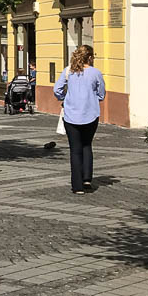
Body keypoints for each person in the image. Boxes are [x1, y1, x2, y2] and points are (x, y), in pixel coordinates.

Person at [53, 45, 106, 195]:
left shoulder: (68, 71)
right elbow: (102, 93)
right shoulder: (95, 73)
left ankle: (77, 186)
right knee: (87, 145)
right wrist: (93, 97)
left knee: (75, 150)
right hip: (90, 114)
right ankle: (87, 179)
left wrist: (65, 98)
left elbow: (57, 90)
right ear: (89, 57)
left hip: (71, 116)